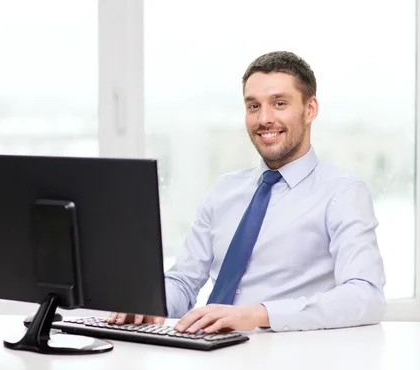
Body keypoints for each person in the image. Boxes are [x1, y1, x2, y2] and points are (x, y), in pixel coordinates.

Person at [107, 51, 386, 333]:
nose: (264, 118)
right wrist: (150, 304)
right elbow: (184, 280)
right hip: (207, 350)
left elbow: (366, 295)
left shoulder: (343, 193)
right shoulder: (224, 190)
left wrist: (259, 315)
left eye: (279, 103)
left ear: (310, 109)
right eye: (253, 106)